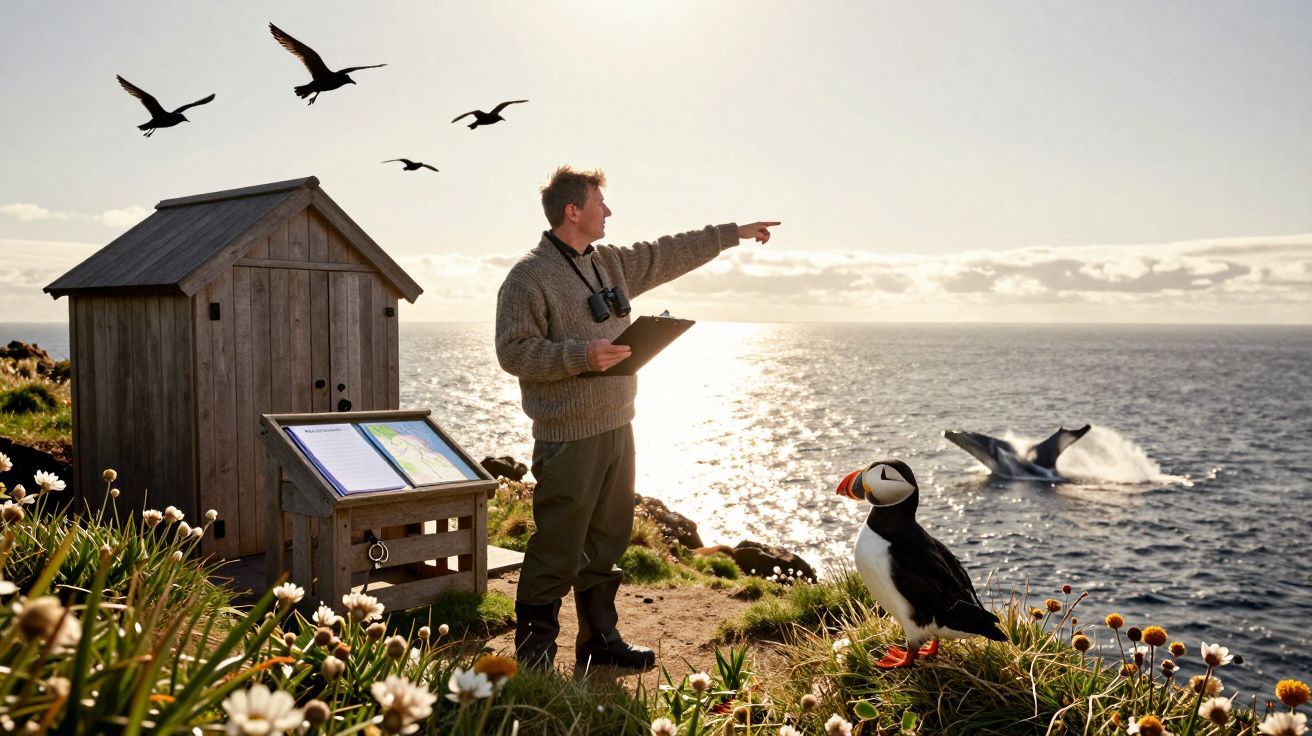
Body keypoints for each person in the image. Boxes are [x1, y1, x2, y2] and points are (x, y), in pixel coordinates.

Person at [494, 165, 779, 670]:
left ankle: (600, 642)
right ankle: (534, 658)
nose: (609, 211)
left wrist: (732, 234)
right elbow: (513, 352)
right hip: (567, 436)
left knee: (608, 541)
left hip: (618, 425)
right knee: (558, 546)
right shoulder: (528, 277)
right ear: (572, 211)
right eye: (600, 203)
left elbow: (669, 252)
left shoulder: (610, 263)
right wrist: (580, 356)